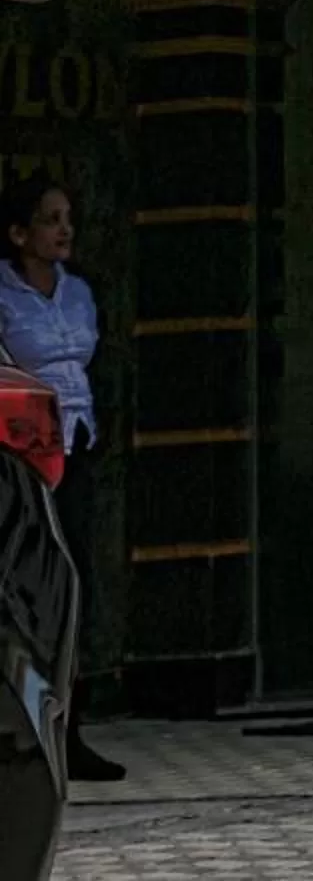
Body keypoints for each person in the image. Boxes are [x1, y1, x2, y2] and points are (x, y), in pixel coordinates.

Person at [0, 179, 126, 783]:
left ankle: (68, 730)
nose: (64, 229)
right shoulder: (2, 294)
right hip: (18, 458)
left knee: (72, 588)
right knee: (23, 591)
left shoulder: (78, 293)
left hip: (75, 447)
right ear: (20, 233)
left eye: (68, 218)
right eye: (50, 220)